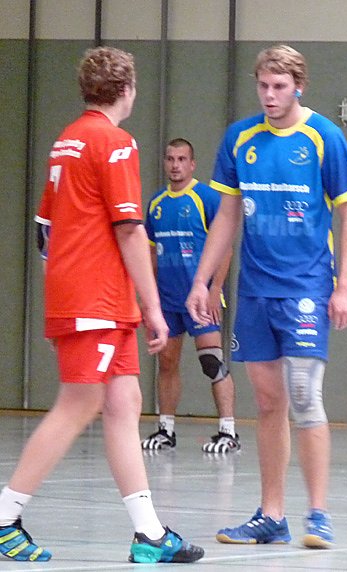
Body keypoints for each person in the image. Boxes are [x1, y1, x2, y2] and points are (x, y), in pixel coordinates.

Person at [0, 47, 203, 563]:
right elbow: (131, 230)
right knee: (80, 403)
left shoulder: (65, 140)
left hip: (95, 296)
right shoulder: (116, 142)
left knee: (124, 402)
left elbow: (44, 229)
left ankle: (149, 533)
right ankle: (4, 517)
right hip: (98, 297)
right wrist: (154, 308)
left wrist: (60, 287)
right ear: (128, 90)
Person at [185, 44, 347, 549]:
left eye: (279, 86)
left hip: (307, 284)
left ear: (298, 86)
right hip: (256, 289)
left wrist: (346, 284)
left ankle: (319, 514)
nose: (269, 95)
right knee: (267, 402)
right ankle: (272, 515)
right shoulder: (240, 138)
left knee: (305, 394)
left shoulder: (324, 137)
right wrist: (203, 280)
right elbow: (226, 215)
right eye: (263, 85)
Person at [141, 138, 240, 454]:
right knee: (167, 363)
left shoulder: (206, 197)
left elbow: (224, 247)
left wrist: (215, 289)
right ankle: (165, 430)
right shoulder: (156, 204)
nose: (175, 165)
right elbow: (151, 254)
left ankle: (228, 431)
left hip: (200, 299)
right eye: (170, 159)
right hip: (168, 300)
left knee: (212, 362)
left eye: (181, 159)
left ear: (192, 164)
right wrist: (149, 300)